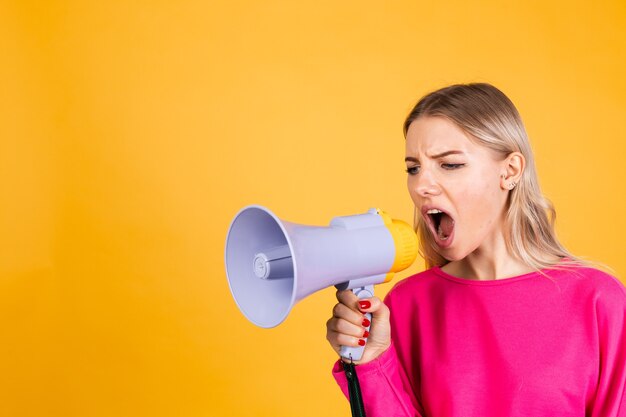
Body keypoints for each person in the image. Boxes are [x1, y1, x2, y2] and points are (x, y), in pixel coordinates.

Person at [326, 83, 626, 416]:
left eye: (449, 165)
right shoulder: (405, 306)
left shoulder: (597, 301)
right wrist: (371, 362)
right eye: (413, 168)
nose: (422, 185)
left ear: (510, 171)